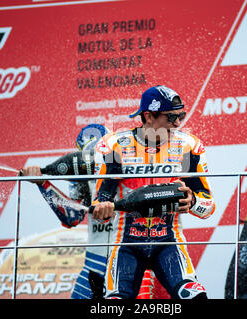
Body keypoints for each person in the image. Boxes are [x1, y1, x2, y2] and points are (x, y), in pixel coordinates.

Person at [91, 85, 216, 299]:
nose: (178, 123)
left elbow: (208, 207)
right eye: (172, 117)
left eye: (181, 115)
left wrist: (193, 201)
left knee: (195, 297)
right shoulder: (114, 146)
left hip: (169, 242)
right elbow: (101, 202)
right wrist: (102, 208)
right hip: (127, 244)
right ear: (148, 116)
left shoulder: (188, 147)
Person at [21, 124, 154, 299]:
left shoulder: (136, 168)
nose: (93, 162)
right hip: (94, 265)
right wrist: (42, 183)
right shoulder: (82, 178)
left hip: (132, 263)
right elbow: (71, 217)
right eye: (88, 155)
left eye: (98, 153)